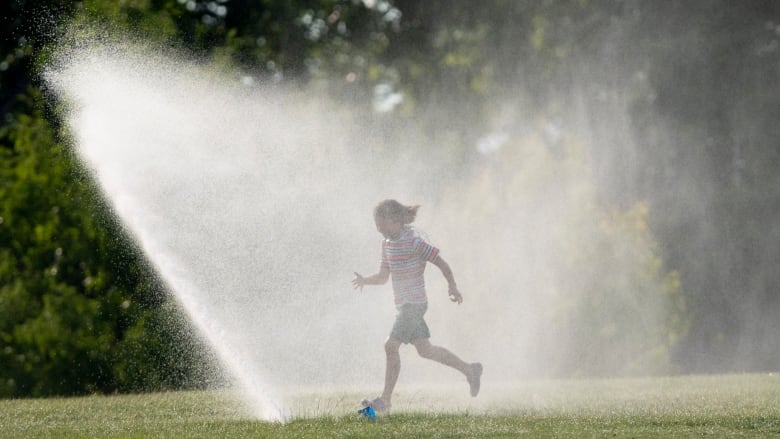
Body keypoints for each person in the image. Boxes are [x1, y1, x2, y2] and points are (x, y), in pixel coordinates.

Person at [353, 199, 482, 412]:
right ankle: (470, 370)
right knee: (426, 350)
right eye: (376, 225)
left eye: (381, 224)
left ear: (395, 221)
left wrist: (452, 286)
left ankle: (385, 400)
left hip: (414, 305)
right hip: (404, 306)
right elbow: (384, 276)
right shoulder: (386, 245)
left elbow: (441, 262)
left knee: (390, 346)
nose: (378, 229)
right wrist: (365, 280)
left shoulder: (413, 242)